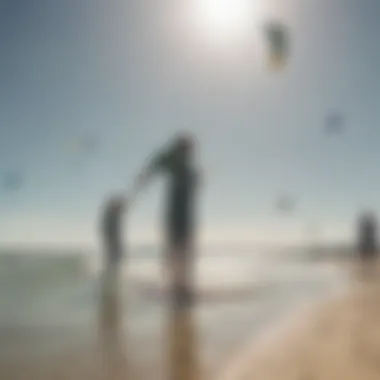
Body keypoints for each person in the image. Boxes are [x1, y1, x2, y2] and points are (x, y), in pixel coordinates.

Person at [129, 133, 200, 308]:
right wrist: (143, 178)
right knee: (174, 248)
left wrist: (144, 177)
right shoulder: (174, 162)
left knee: (185, 249)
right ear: (179, 148)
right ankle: (176, 286)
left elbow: (194, 184)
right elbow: (157, 163)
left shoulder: (189, 169)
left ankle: (184, 286)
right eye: (185, 148)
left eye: (188, 149)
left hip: (186, 215)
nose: (188, 152)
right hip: (174, 214)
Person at [100, 194, 126, 294]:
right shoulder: (110, 216)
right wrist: (112, 242)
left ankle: (112, 281)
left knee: (115, 262)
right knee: (112, 262)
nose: (121, 210)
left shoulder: (113, 215)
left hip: (114, 242)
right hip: (112, 243)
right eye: (119, 207)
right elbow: (108, 231)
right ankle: (110, 282)